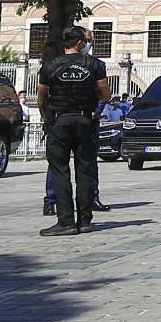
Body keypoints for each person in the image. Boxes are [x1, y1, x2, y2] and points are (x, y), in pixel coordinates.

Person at [37, 26, 108, 236]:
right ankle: (85, 220)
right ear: (79, 43)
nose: (87, 45)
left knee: (60, 171)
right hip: (85, 120)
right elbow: (105, 95)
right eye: (85, 42)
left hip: (59, 121)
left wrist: (47, 117)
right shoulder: (95, 65)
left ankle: (66, 220)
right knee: (85, 170)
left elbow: (41, 97)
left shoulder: (50, 66)